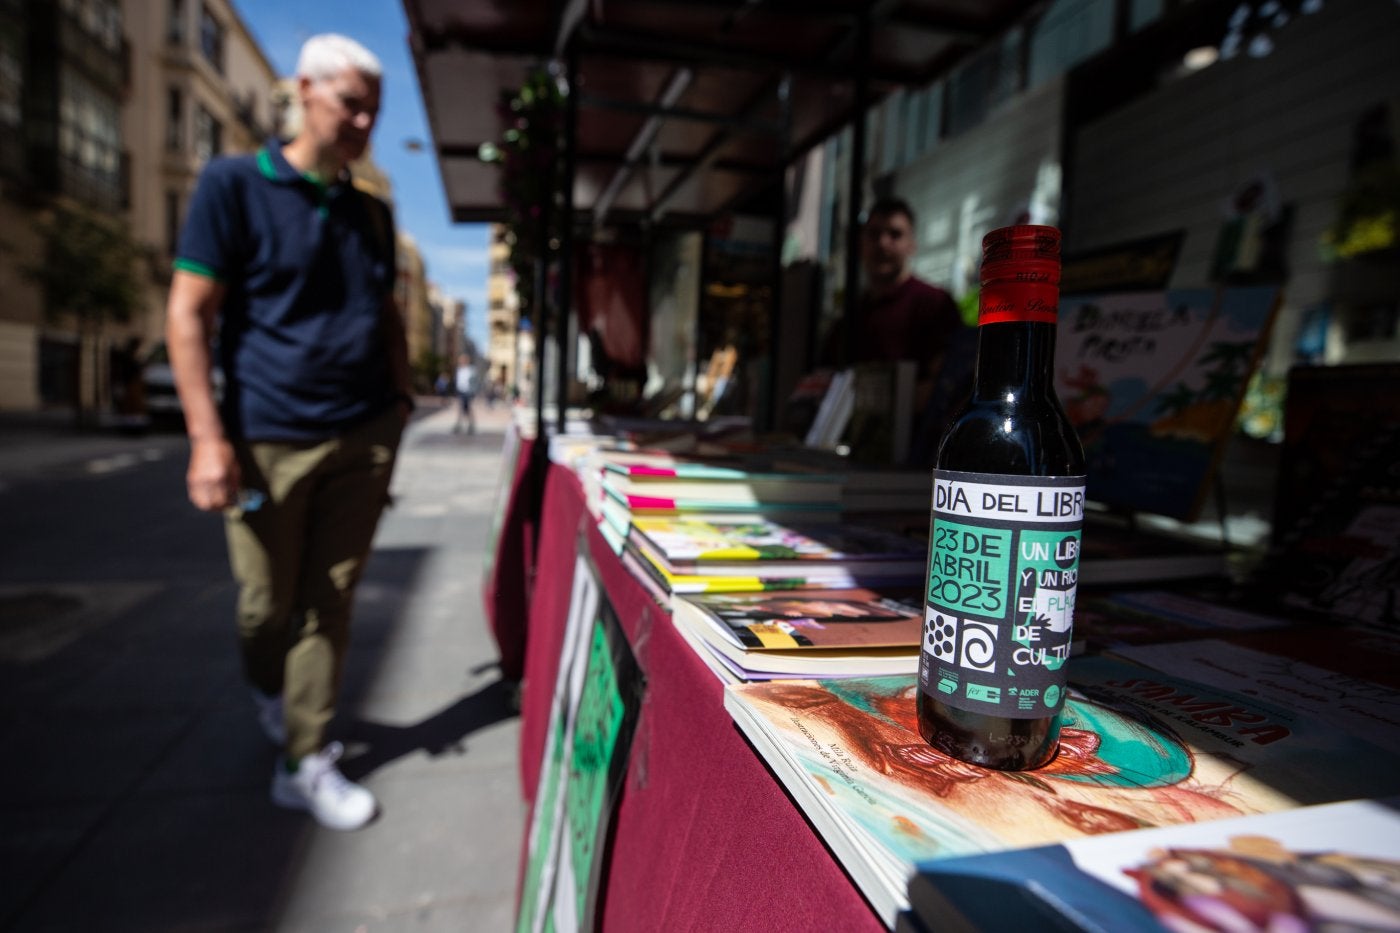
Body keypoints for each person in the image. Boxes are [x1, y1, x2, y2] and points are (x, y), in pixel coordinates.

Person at [164, 34, 411, 831]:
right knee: (266, 604)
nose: (366, 119)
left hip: (363, 433)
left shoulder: (371, 212)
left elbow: (385, 315)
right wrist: (208, 439)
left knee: (328, 601)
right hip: (268, 437)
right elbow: (189, 313)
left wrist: (399, 406)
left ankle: (304, 756)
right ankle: (271, 689)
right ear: (303, 91)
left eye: (374, 106)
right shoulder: (233, 184)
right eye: (352, 102)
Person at [817, 197, 974, 463]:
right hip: (850, 460)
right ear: (861, 245)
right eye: (874, 234)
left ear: (911, 244)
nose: (883, 243)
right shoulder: (849, 319)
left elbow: (948, 389)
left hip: (914, 466)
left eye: (895, 234)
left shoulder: (934, 304)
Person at [453, 352, 478, 434]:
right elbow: (457, 381)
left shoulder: (471, 370)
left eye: (463, 359)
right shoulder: (459, 370)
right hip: (460, 392)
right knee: (460, 409)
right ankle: (458, 425)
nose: (461, 361)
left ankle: (471, 425)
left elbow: (475, 382)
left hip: (468, 392)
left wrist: (473, 392)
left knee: (468, 409)